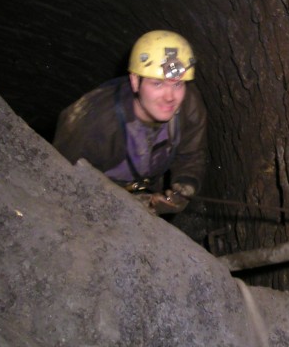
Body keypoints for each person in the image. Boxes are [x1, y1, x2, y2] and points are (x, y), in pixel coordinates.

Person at [53, 30, 207, 215]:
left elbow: (191, 155)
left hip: (146, 188)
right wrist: (125, 203)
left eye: (177, 84)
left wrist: (186, 184)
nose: (170, 97)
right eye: (157, 83)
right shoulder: (92, 122)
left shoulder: (189, 104)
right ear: (135, 81)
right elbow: (61, 182)